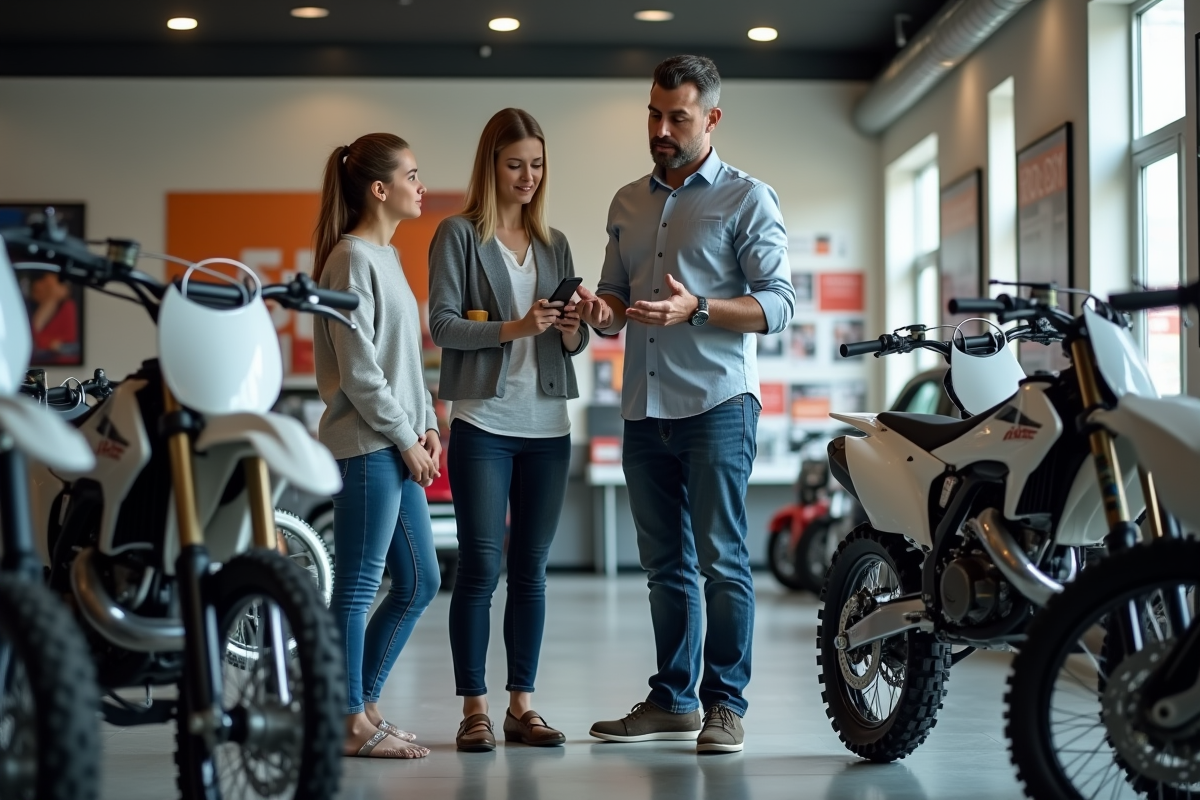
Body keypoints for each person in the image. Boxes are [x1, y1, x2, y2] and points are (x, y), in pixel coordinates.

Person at [578, 55, 795, 754]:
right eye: (654, 114)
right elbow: (615, 301)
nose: (662, 129)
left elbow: (780, 305)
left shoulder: (747, 198)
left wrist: (697, 308)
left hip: (718, 405)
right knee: (664, 565)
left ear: (712, 118)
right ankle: (672, 699)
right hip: (642, 407)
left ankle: (724, 705)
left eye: (678, 117)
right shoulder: (626, 202)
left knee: (723, 562)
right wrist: (596, 311)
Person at [428, 108, 592, 752]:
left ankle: (522, 704)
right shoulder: (458, 236)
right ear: (491, 166)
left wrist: (573, 331)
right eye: (515, 164)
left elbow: (567, 343)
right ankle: (474, 707)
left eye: (538, 164)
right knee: (480, 566)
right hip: (485, 423)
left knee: (531, 570)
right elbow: (442, 325)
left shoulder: (554, 244)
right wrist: (514, 328)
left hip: (549, 426)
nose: (528, 176)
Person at [312, 132, 441, 760]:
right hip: (367, 444)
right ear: (380, 189)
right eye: (413, 176)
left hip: (396, 441)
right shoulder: (350, 259)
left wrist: (429, 428)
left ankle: (360, 706)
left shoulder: (386, 258)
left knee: (419, 580)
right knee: (360, 585)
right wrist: (402, 437)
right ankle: (344, 720)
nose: (422, 187)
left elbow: (404, 364)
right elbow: (359, 370)